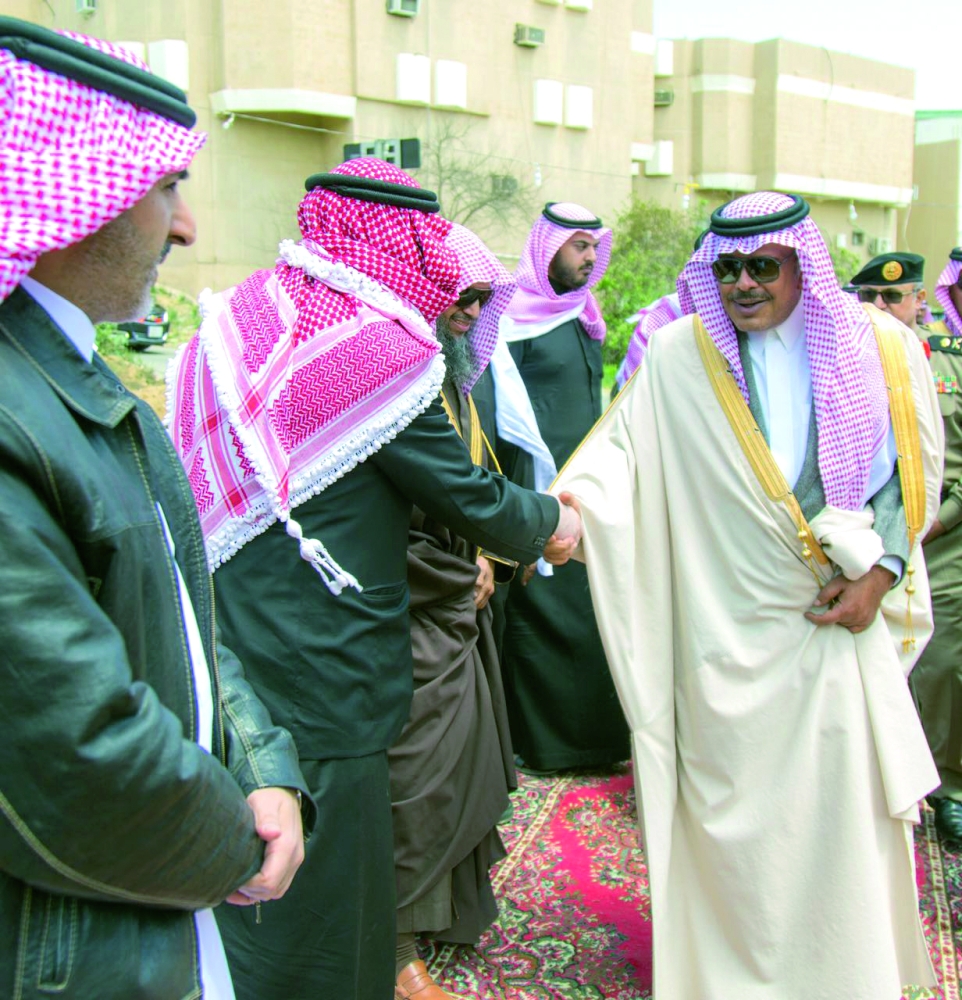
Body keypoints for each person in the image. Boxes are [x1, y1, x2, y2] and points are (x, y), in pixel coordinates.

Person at [167, 158, 580, 1000]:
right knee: (335, 891)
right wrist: (554, 522)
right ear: (396, 244)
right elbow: (470, 498)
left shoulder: (236, 320)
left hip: (229, 641)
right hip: (334, 667)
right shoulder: (379, 350)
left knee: (260, 856)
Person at [553, 191, 945, 998]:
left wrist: (880, 576)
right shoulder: (679, 356)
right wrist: (565, 515)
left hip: (832, 623)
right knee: (735, 823)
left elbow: (915, 473)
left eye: (762, 266)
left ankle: (841, 976)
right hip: (720, 633)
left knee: (833, 815)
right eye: (726, 267)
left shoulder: (883, 346)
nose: (742, 283)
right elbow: (621, 456)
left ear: (803, 263)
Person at [0, 17, 311, 1000]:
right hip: (70, 943)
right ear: (66, 187)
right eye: (167, 186)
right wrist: (235, 840)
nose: (185, 227)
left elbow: (174, 614)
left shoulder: (63, 381)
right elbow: (76, 748)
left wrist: (260, 767)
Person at [390, 224, 522, 1000]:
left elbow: (470, 488)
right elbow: (380, 520)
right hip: (413, 604)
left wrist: (484, 556)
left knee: (460, 761)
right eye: (458, 297)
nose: (470, 312)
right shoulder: (390, 379)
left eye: (481, 298)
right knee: (416, 774)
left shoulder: (451, 379)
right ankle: (395, 946)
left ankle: (441, 916)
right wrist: (455, 569)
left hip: (456, 598)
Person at [493, 202, 630, 774]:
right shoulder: (511, 319)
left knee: (589, 609)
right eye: (579, 246)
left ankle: (599, 741)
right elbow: (500, 414)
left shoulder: (583, 314)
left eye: (594, 246)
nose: (590, 257)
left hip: (587, 489)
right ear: (547, 248)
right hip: (535, 490)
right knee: (541, 612)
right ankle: (546, 746)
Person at [887, 247, 962, 845]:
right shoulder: (915, 352)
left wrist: (932, 524)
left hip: (946, 535)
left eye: (895, 295)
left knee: (945, 659)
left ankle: (950, 786)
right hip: (877, 530)